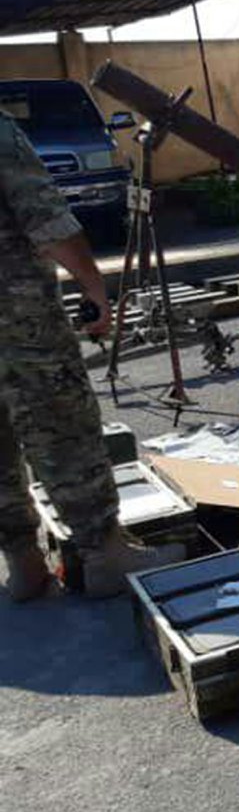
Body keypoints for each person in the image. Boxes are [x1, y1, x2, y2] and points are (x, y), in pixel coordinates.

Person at [1, 112, 177, 600]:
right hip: (17, 317)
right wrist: (95, 291)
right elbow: (48, 220)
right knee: (60, 426)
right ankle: (104, 554)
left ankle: (23, 562)